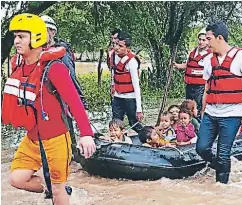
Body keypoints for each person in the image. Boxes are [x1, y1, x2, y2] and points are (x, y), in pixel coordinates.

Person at [2, 13, 96, 204]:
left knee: (58, 190)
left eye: (21, 36)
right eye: (15, 36)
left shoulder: (54, 68)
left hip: (55, 140)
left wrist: (86, 134)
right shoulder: (19, 68)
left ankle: (59, 190)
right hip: (33, 139)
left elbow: (74, 102)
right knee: (16, 178)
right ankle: (53, 188)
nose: (16, 41)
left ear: (35, 37)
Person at [196, 21, 242, 184]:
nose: (206, 43)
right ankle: (222, 166)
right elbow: (207, 88)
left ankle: (221, 190)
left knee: (223, 153)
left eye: (209, 39)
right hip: (211, 112)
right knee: (201, 148)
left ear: (219, 38)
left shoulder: (241, 57)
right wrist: (203, 111)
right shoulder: (209, 60)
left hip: (231, 115)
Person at [40, 15, 88, 110]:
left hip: (60, 101)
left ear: (53, 33)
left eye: (43, 31)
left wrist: (80, 101)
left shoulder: (62, 53)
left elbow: (71, 77)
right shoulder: (36, 51)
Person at [173, 28, 211, 120]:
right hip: (190, 85)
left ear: (208, 42)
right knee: (187, 107)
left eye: (203, 40)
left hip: (200, 86)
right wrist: (177, 65)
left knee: (197, 109)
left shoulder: (210, 55)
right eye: (199, 39)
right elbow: (189, 65)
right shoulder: (193, 52)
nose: (201, 42)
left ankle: (198, 127)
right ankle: (189, 126)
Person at [110, 31, 144, 133]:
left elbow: (136, 86)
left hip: (130, 98)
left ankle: (148, 138)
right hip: (117, 97)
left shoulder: (132, 62)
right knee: (116, 123)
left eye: (120, 46)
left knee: (134, 124)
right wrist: (112, 85)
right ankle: (118, 142)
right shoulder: (113, 56)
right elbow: (113, 72)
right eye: (115, 44)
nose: (116, 48)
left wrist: (139, 109)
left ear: (127, 48)